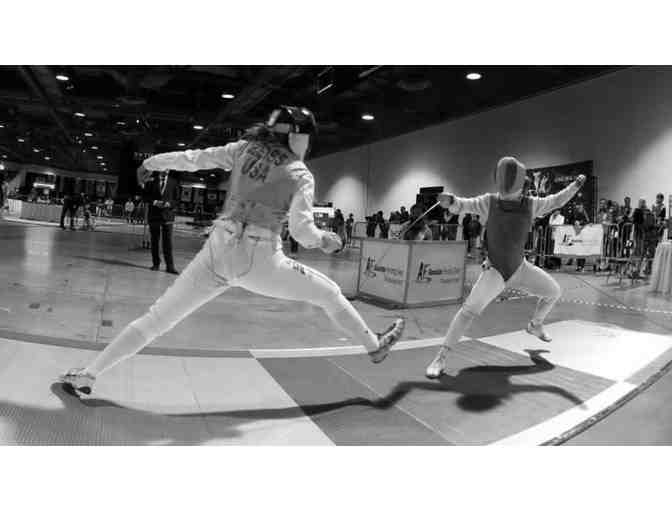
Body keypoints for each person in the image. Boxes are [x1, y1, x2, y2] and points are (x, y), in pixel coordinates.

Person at [61, 105, 405, 396]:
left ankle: (88, 374)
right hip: (259, 259)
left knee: (157, 319)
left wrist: (151, 163)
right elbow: (302, 232)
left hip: (217, 249)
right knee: (329, 293)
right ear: (297, 136)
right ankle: (374, 347)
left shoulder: (243, 149)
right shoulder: (300, 173)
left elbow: (193, 159)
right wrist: (325, 240)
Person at [425, 156, 585, 379]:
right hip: (496, 272)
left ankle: (535, 325)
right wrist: (450, 200)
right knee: (468, 311)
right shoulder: (489, 201)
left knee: (553, 292)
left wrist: (575, 186)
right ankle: (441, 357)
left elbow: (556, 201)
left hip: (520, 268)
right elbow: (464, 204)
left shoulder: (531, 204)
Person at [145, 171, 179, 274]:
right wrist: (155, 202)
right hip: (154, 216)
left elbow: (177, 200)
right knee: (154, 241)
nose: (166, 169)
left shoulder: (174, 182)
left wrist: (169, 204)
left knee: (167, 242)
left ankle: (170, 267)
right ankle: (156, 264)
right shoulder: (151, 181)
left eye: (168, 167)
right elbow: (145, 197)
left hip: (168, 217)